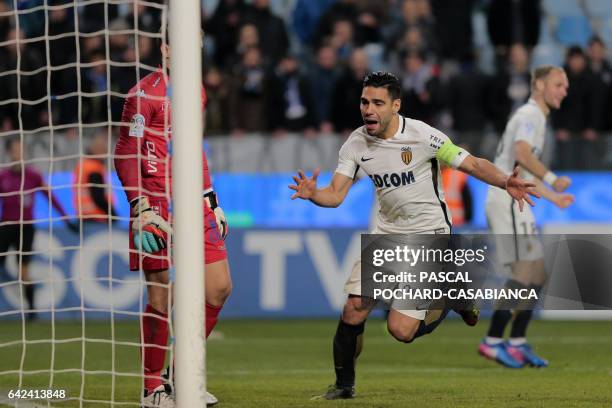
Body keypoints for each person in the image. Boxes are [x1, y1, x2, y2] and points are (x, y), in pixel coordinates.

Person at [289, 71, 539, 400]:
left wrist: (506, 180)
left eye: (377, 103)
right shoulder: (355, 143)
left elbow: (473, 164)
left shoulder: (423, 136)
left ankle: (451, 295)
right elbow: (335, 195)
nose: (368, 109)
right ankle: (344, 386)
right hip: (386, 235)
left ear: (396, 105)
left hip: (428, 235)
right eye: (364, 101)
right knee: (353, 308)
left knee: (400, 330)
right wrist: (314, 194)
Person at [113, 32, 232, 407]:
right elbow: (124, 153)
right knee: (160, 294)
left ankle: (182, 377)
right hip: (155, 205)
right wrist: (139, 206)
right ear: (165, 49)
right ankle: (151, 388)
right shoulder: (142, 94)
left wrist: (210, 197)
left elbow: (193, 147)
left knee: (218, 288)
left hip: (192, 202)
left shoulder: (195, 91)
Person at [479, 65, 574, 368]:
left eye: (566, 86)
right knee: (523, 272)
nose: (564, 90)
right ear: (540, 85)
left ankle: (517, 342)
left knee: (537, 273)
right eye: (559, 84)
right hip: (507, 199)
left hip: (514, 197)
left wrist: (553, 196)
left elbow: (528, 171)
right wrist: (552, 176)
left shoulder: (537, 117)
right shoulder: (530, 115)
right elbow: (522, 154)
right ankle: (493, 341)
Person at [0, 137, 76, 320]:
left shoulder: (33, 176)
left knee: (24, 269)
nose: (19, 153)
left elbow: (50, 196)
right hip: (6, 227)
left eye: (22, 149)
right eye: (16, 149)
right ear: (10, 152)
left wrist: (66, 219)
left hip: (26, 228)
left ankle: (31, 312)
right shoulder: (3, 177)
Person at [72, 131, 117, 223]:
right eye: (104, 150)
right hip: (97, 217)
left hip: (84, 215)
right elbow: (97, 195)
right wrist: (112, 214)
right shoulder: (93, 168)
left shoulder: (83, 165)